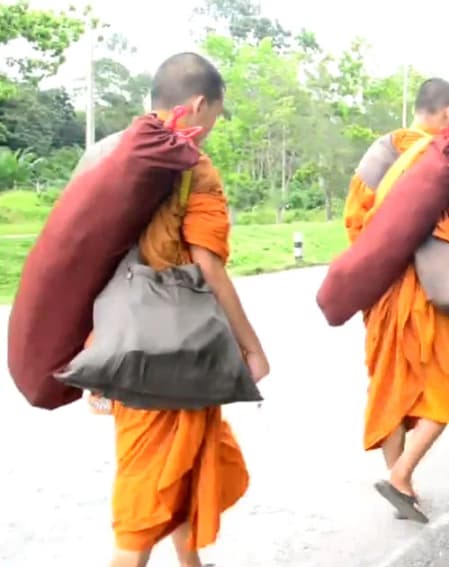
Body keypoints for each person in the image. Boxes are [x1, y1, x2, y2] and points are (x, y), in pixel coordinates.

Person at [89, 52, 270, 567]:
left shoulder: (110, 155)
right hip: (175, 349)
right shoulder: (192, 166)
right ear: (197, 105)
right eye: (215, 115)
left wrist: (94, 350)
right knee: (143, 508)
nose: (212, 127)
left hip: (119, 341)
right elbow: (207, 264)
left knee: (180, 471)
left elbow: (84, 257)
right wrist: (251, 348)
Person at [342, 78, 449, 523]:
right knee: (448, 388)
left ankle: (400, 484)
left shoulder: (379, 153)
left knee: (392, 387)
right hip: (430, 292)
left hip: (384, 291)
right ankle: (401, 475)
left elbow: (354, 226)